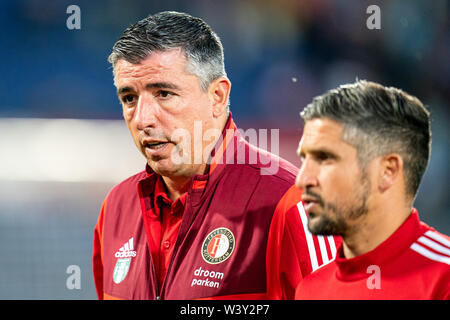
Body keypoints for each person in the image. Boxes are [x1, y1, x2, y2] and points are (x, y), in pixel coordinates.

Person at [92, 11, 338, 300]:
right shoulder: (116, 209)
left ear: (217, 97)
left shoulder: (291, 203)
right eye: (129, 98)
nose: (143, 119)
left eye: (164, 94)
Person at [294, 80, 450, 300]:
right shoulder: (310, 290)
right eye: (305, 158)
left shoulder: (443, 279)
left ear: (388, 170)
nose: (302, 179)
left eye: (325, 158)